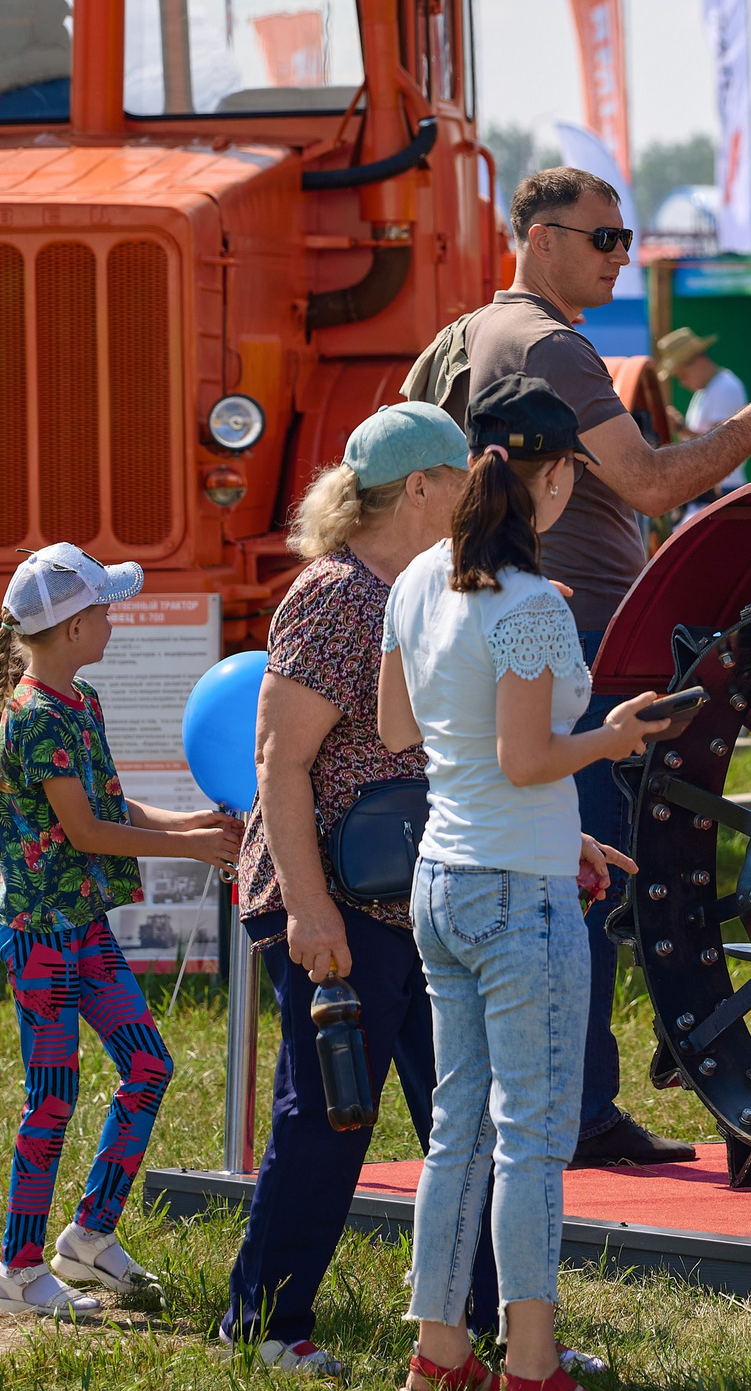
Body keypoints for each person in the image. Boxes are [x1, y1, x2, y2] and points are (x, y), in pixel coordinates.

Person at [462, 167, 751, 1168]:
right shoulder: (552, 346)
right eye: (605, 239)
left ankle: (574, 1097)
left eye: (625, 239)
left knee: (568, 872)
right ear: (540, 239)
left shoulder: (472, 337)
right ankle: (585, 1112)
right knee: (599, 875)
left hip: (527, 635)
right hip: (578, 642)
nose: (621, 255)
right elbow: (651, 480)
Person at [378, 374, 673, 1391]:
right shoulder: (538, 603)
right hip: (516, 889)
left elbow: (397, 728)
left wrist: (564, 832)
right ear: (553, 481)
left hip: (443, 877)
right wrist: (614, 736)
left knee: (457, 1130)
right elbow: (527, 757)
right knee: (533, 1139)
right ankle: (532, 1358)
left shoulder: (417, 578)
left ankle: (440, 1350)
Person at [218, 404, 513, 1378]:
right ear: (421, 485)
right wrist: (307, 908)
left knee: (464, 1116)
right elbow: (280, 760)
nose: (478, 494)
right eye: (463, 476)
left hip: (422, 897)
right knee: (330, 1118)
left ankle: (481, 1329)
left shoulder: (432, 589)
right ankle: (263, 1326)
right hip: (336, 902)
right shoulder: (338, 593)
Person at [0, 544, 242, 1318]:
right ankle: (19, 1272)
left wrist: (187, 821)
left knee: (147, 1066)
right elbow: (86, 832)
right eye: (106, 608)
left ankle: (87, 1238)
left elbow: (112, 807)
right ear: (74, 625)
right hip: (41, 936)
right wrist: (190, 846)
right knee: (52, 1098)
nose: (114, 618)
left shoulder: (79, 702)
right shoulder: (33, 718)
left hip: (79, 926)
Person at [654, 325, 751, 501]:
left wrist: (679, 426)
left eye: (682, 375)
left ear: (699, 361)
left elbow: (720, 446)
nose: (682, 382)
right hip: (713, 491)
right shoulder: (707, 390)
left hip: (721, 491)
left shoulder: (724, 388)